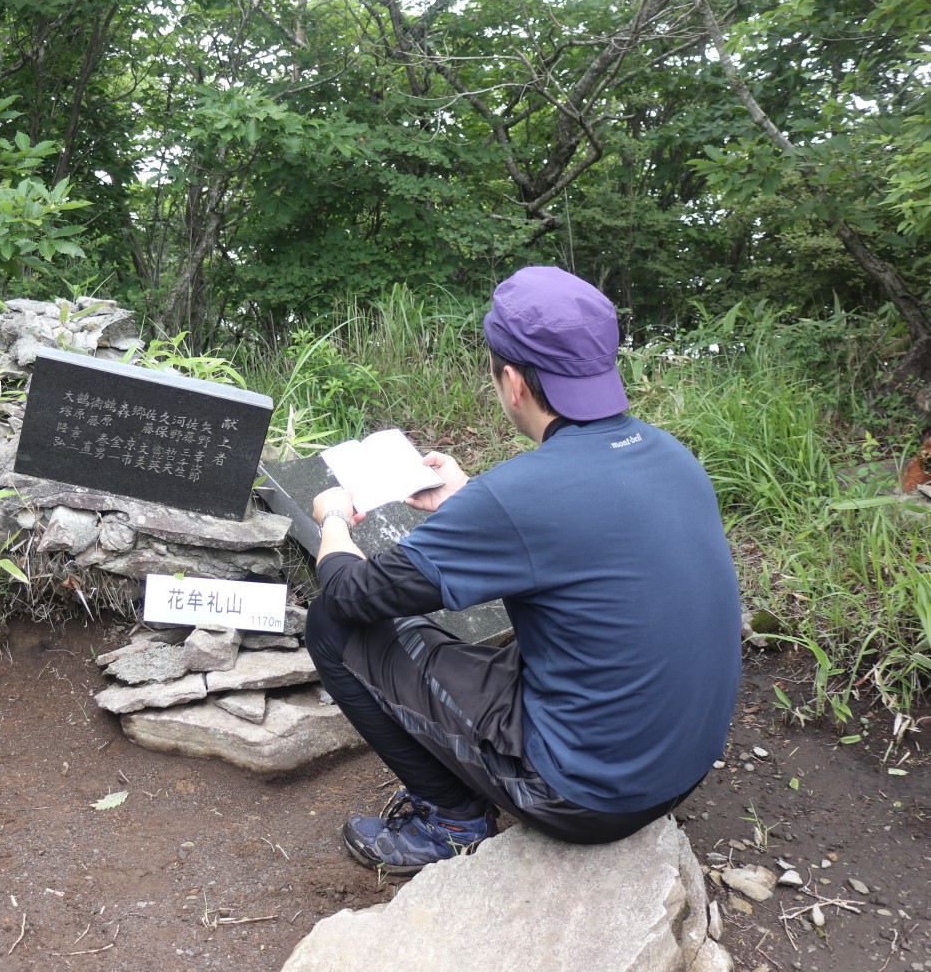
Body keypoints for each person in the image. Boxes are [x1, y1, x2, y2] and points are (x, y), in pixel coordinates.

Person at [305, 265, 741, 875]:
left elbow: (354, 595)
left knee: (331, 625)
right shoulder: (671, 455)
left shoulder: (521, 495)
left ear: (511, 382)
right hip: (680, 766)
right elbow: (580, 536)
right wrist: (467, 497)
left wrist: (330, 520)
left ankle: (451, 821)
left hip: (586, 799)